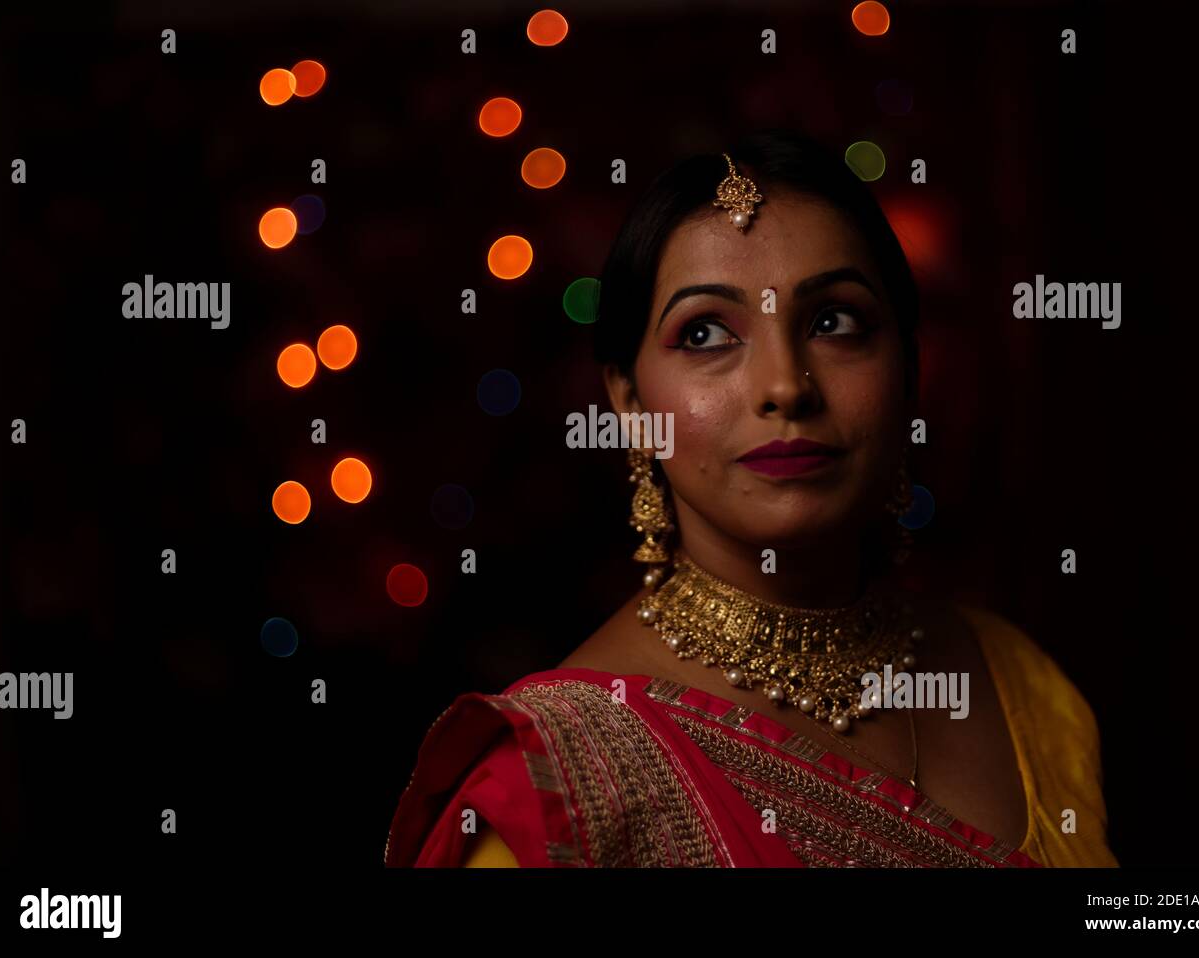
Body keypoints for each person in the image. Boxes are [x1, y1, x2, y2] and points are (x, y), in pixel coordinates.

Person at [384, 130, 1117, 868]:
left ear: (908, 370)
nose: (785, 386)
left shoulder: (1022, 687)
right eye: (705, 333)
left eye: (834, 321)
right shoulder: (557, 785)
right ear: (631, 402)